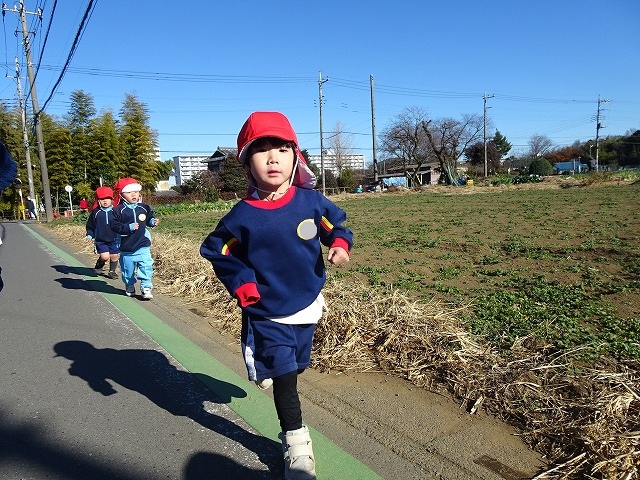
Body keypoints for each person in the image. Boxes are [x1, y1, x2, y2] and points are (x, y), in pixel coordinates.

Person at [200, 111, 353, 479]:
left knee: (297, 365)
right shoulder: (241, 216)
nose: (273, 158)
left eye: (282, 150)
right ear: (246, 165)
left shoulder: (310, 202)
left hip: (306, 303)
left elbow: (336, 226)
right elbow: (217, 250)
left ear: (295, 158)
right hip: (266, 309)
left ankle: (266, 364)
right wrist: (243, 283)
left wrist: (339, 244)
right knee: (287, 379)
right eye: (261, 150)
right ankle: (297, 447)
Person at [109, 177, 159, 300]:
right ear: (122, 194)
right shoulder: (117, 211)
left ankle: (146, 287)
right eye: (129, 192)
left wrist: (152, 221)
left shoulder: (143, 207)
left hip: (142, 243)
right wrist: (129, 227)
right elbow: (114, 226)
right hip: (126, 246)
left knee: (146, 265)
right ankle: (129, 284)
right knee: (128, 270)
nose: (134, 195)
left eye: (136, 192)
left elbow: (148, 218)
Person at [85, 186, 119, 279]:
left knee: (114, 256)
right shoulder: (95, 213)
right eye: (102, 199)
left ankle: (112, 271)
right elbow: (90, 225)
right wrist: (89, 235)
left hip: (114, 239)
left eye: (107, 198)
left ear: (111, 199)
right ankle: (99, 266)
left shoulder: (116, 212)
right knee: (105, 256)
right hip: (101, 240)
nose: (105, 201)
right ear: (98, 200)